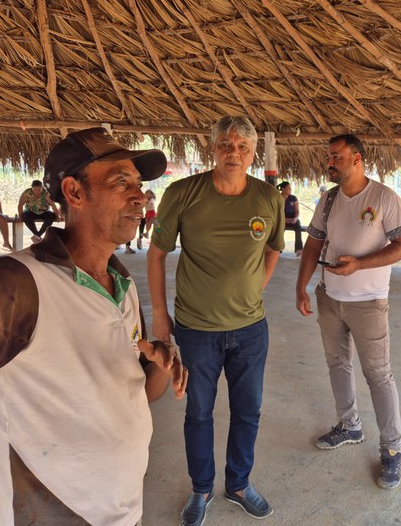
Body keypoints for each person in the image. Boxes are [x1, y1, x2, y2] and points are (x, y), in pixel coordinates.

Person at [0, 127, 187, 526]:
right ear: (74, 192)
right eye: (120, 182)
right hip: (53, 510)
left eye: (139, 185)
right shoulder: (20, 280)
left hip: (122, 504)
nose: (140, 196)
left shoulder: (122, 283)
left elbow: (139, 393)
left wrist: (162, 368)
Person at [148, 116, 285, 525]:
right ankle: (201, 489)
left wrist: (254, 287)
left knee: (249, 411)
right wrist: (159, 315)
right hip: (196, 330)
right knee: (199, 413)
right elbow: (156, 254)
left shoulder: (267, 196)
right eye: (226, 144)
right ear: (213, 148)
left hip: (250, 330)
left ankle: (239, 484)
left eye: (243, 146)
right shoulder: (183, 193)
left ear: (253, 152)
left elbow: (275, 247)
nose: (234, 152)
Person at [296, 133, 401, 490]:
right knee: (337, 364)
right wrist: (301, 287)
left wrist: (360, 265)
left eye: (336, 157)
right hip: (330, 298)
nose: (329, 163)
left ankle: (391, 450)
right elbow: (313, 243)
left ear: (357, 158)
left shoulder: (383, 197)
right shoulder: (328, 200)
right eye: (328, 157)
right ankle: (349, 426)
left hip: (369, 302)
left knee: (378, 374)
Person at [17, 179, 61, 243]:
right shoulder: (27, 193)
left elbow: (53, 205)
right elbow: (20, 205)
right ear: (31, 188)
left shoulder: (45, 193)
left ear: (42, 188)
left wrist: (57, 217)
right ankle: (37, 236)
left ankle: (37, 236)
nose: (37, 192)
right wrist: (20, 217)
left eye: (39, 190)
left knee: (51, 216)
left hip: (44, 211)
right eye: (34, 190)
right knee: (25, 216)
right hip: (31, 211)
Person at [277, 180, 303, 255]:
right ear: (283, 189)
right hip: (282, 219)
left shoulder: (293, 198)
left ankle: (298, 249)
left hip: (292, 219)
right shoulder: (278, 198)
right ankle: (279, 248)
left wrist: (295, 218)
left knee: (298, 226)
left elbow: (297, 211)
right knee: (278, 230)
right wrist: (284, 219)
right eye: (288, 188)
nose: (290, 190)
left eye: (290, 188)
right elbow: (276, 212)